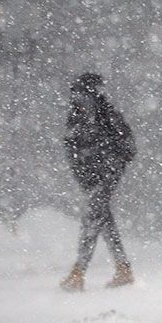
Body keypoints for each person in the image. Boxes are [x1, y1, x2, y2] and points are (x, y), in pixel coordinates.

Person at [60, 73, 136, 292]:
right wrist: (84, 174)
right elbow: (71, 149)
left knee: (92, 219)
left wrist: (110, 166)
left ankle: (78, 272)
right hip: (90, 179)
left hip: (104, 177)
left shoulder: (109, 117)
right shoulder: (76, 118)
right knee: (103, 219)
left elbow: (129, 148)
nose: (78, 99)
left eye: (82, 94)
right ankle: (123, 268)